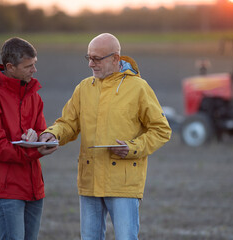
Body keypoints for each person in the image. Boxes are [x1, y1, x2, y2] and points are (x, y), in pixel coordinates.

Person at [39, 33, 171, 240]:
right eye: (89, 58)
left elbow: (161, 130)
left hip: (123, 184)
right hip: (89, 181)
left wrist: (132, 147)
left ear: (115, 59)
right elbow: (68, 124)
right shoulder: (84, 88)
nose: (91, 64)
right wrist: (50, 134)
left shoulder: (138, 88)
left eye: (97, 58)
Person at [0, 37, 57, 240]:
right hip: (5, 189)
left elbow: (41, 130)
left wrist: (45, 139)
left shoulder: (33, 94)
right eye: (29, 66)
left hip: (34, 188)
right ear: (10, 66)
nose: (34, 70)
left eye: (34, 64)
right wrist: (34, 150)